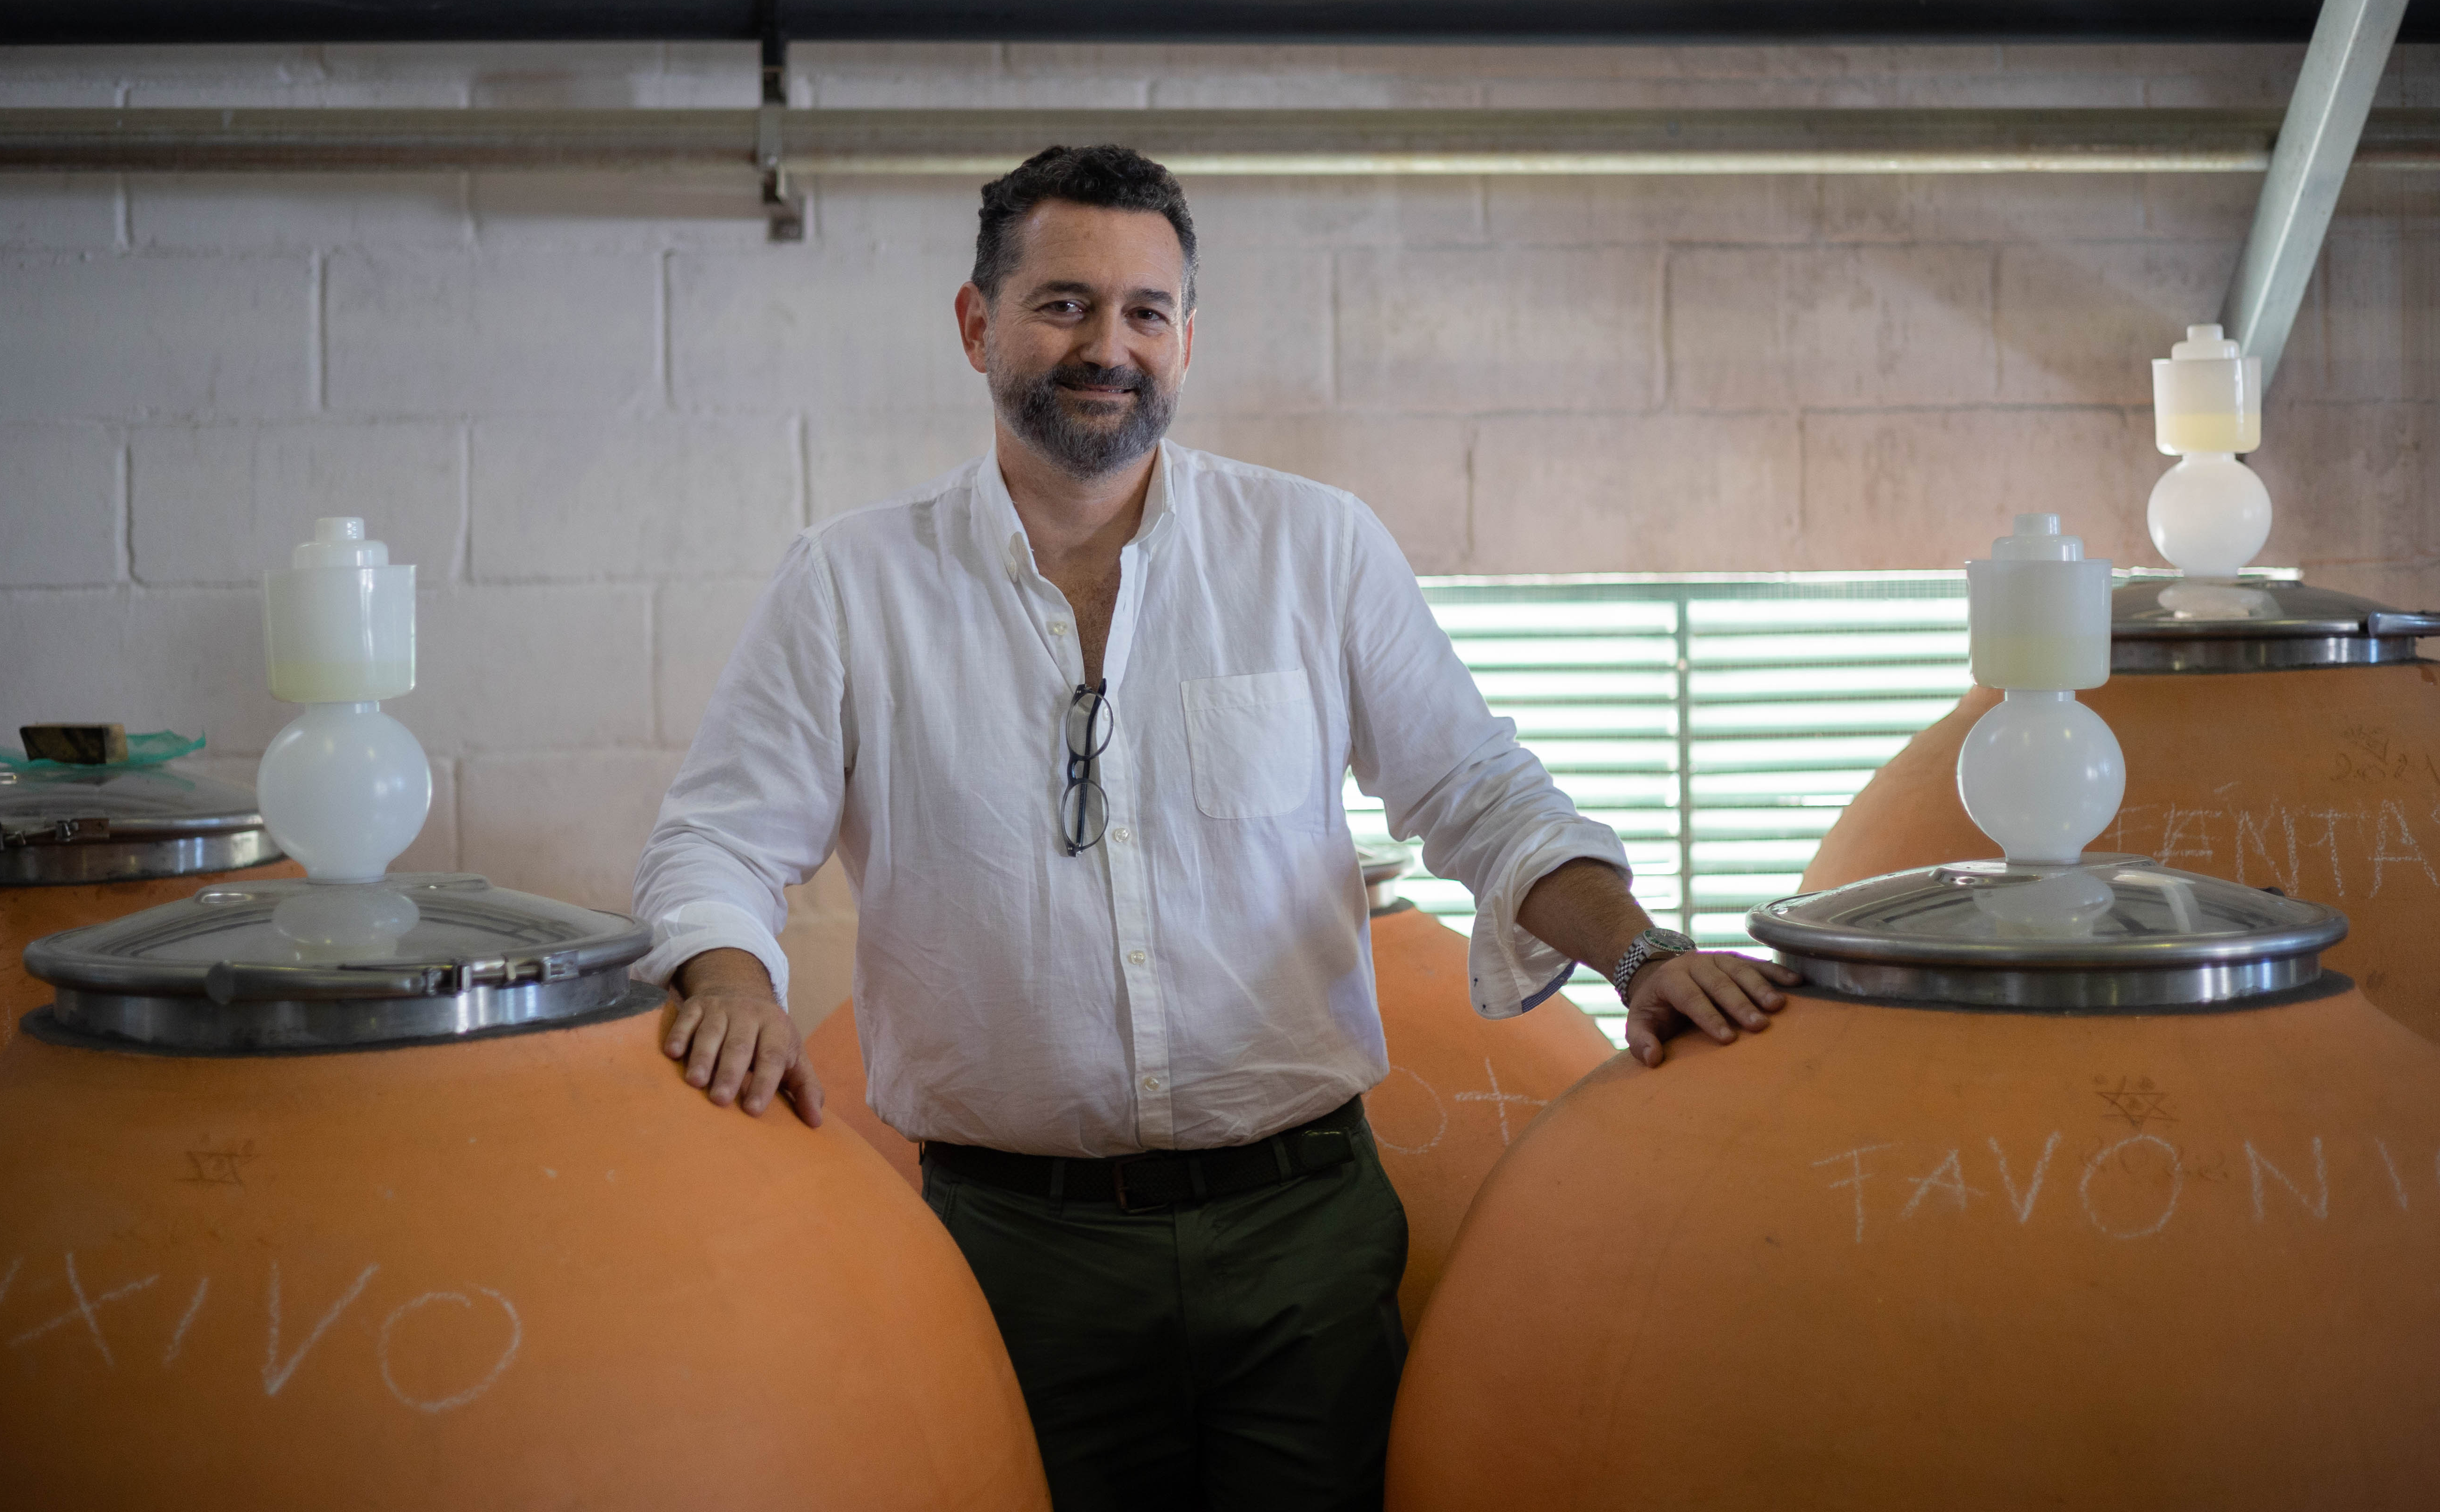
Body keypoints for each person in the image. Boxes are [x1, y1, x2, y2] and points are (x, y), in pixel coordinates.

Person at [633, 144, 1799, 1512]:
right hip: (1014, 1244)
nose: (1106, 346)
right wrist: (731, 983)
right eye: (1063, 304)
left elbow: (1477, 790)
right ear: (977, 324)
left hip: (1301, 1231)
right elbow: (717, 841)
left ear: (1187, 339)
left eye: (1144, 313)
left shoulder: (1314, 548)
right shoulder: (850, 585)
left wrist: (1642, 953)